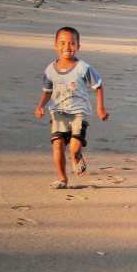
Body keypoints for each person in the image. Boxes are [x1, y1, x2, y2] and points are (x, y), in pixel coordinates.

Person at [34, 26, 109, 189]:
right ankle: (62, 179)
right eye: (62, 43)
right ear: (55, 45)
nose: (67, 47)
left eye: (72, 43)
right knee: (57, 145)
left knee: (74, 147)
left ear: (78, 46)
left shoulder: (83, 68)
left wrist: (100, 108)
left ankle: (76, 157)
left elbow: (98, 86)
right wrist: (40, 106)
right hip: (58, 112)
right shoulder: (49, 70)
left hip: (78, 113)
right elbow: (47, 91)